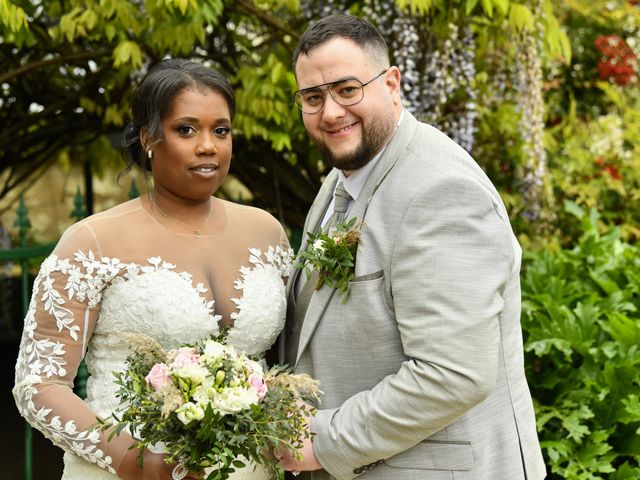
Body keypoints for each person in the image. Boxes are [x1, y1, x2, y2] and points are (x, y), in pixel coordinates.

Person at [278, 14, 547, 480]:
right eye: (313, 97)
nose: (331, 112)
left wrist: (322, 443)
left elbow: (452, 375)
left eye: (347, 89)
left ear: (392, 83)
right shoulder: (339, 182)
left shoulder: (441, 191)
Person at [13, 58, 292, 480]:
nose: (208, 146)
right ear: (148, 139)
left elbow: (290, 362)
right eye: (186, 129)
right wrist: (132, 460)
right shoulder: (92, 242)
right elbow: (39, 385)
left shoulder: (267, 232)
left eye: (221, 130)